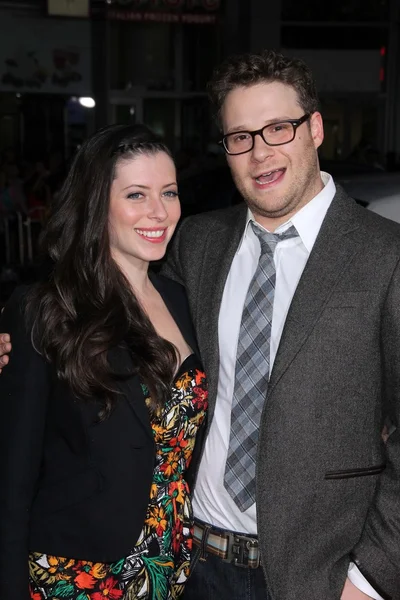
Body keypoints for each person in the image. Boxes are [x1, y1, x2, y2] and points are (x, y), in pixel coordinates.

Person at [1, 50, 400, 600]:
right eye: (240, 136)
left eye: (278, 129)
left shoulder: (387, 255)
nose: (260, 153)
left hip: (318, 577)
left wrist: (371, 577)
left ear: (315, 129)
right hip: (190, 566)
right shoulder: (198, 243)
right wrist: (15, 344)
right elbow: (94, 300)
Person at [0, 123, 208, 600]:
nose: (159, 212)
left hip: (172, 567)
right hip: (78, 576)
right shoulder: (46, 309)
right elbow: (12, 480)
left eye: (170, 193)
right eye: (136, 195)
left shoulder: (182, 299)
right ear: (97, 203)